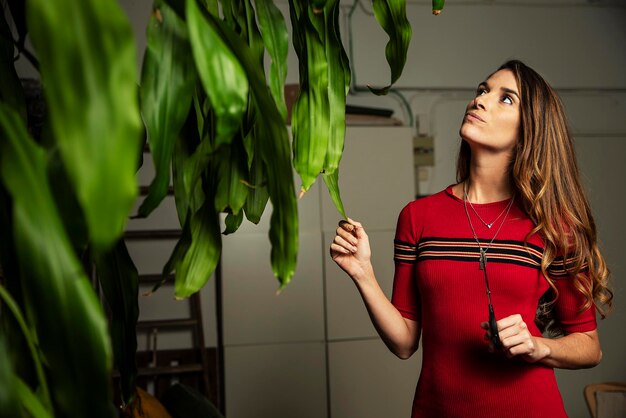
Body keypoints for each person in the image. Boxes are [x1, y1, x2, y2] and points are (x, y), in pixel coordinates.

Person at [330, 60, 613, 418]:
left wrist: (539, 346)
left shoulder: (554, 226)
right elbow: (404, 342)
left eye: (505, 98)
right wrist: (362, 273)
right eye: (483, 90)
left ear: (529, 130)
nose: (480, 100)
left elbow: (590, 347)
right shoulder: (418, 217)